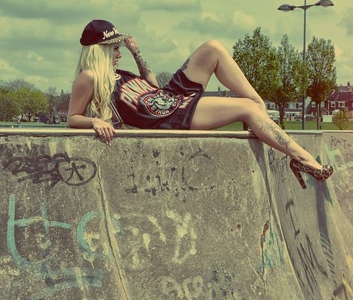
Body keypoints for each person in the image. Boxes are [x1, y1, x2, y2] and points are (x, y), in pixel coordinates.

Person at [68, 19, 332, 189]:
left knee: (213, 48)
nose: (118, 53)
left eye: (119, 48)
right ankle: (302, 157)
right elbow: (73, 117)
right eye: (113, 49)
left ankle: (259, 106)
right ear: (98, 50)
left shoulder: (119, 74)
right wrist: (95, 121)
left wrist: (137, 53)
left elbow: (152, 86)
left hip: (169, 97)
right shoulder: (88, 78)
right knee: (247, 109)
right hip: (169, 118)